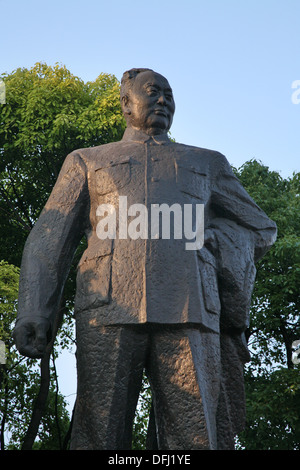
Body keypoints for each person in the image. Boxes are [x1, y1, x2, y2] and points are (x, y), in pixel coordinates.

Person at [13, 68, 277, 449]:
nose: (164, 100)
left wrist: (212, 240)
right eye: (153, 91)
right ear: (125, 103)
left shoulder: (208, 163)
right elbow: (48, 237)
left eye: (170, 94)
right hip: (108, 307)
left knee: (196, 434)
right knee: (97, 429)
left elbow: (260, 228)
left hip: (190, 310)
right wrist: (34, 311)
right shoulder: (87, 161)